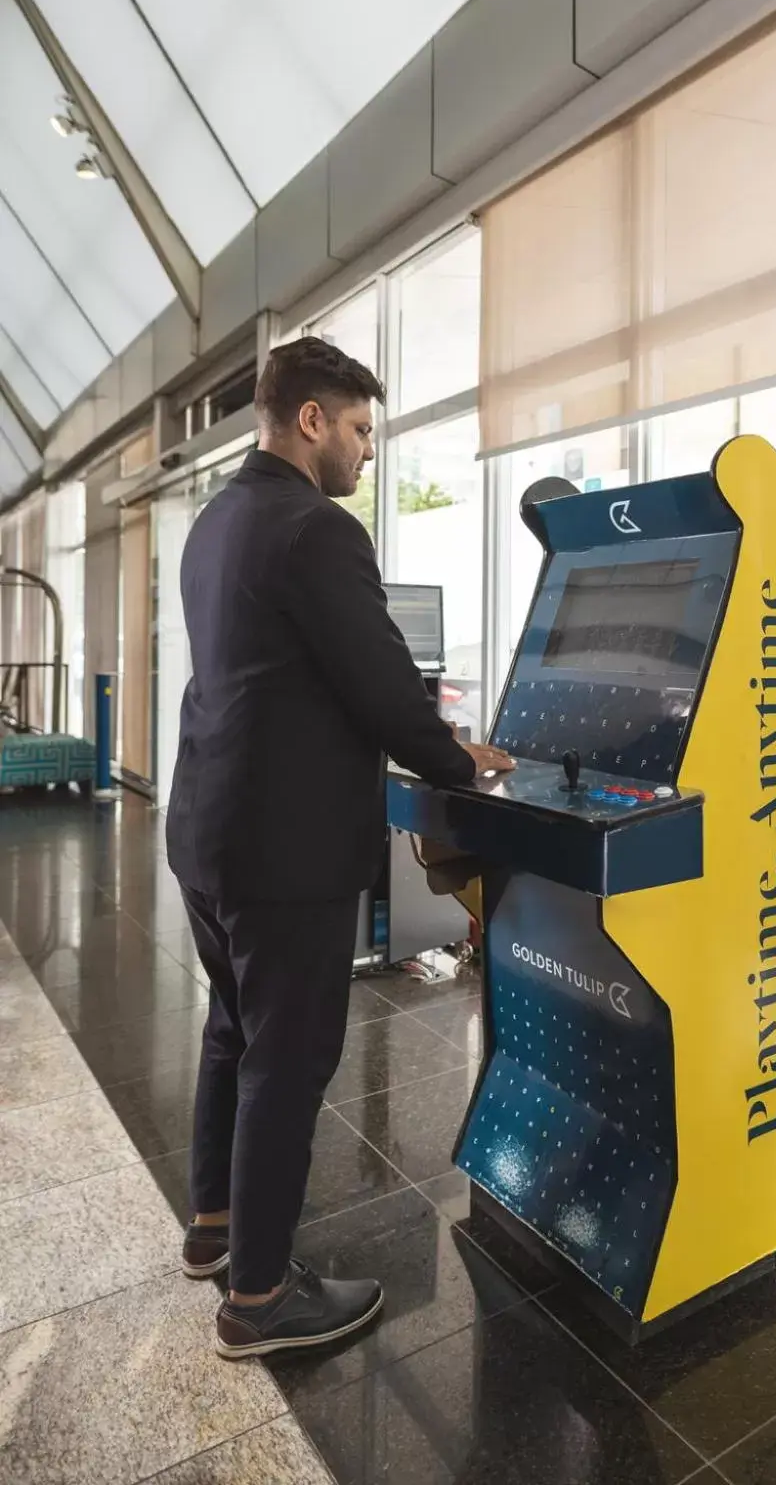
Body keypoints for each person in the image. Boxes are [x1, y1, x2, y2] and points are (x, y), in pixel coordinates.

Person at [165, 336, 514, 1359]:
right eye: (359, 430)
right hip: (286, 851)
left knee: (233, 1030)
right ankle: (261, 1301)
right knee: (291, 1055)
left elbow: (282, 677)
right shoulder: (315, 529)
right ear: (311, 421)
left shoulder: (216, 522)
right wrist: (468, 765)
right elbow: (381, 689)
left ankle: (215, 1230)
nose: (366, 452)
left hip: (210, 832)